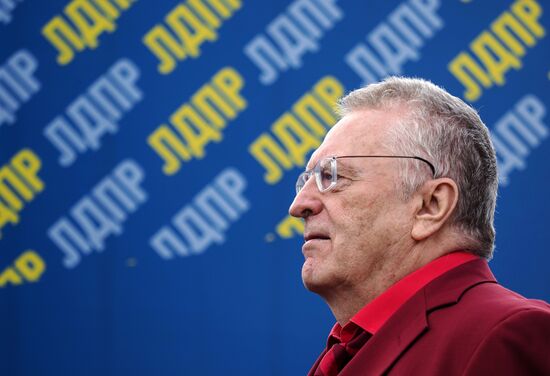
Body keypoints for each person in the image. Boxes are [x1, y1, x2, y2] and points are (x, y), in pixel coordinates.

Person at [288, 77, 550, 376]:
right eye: (305, 181)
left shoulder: (508, 335)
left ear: (431, 206)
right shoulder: (346, 350)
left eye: (333, 177)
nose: (299, 206)